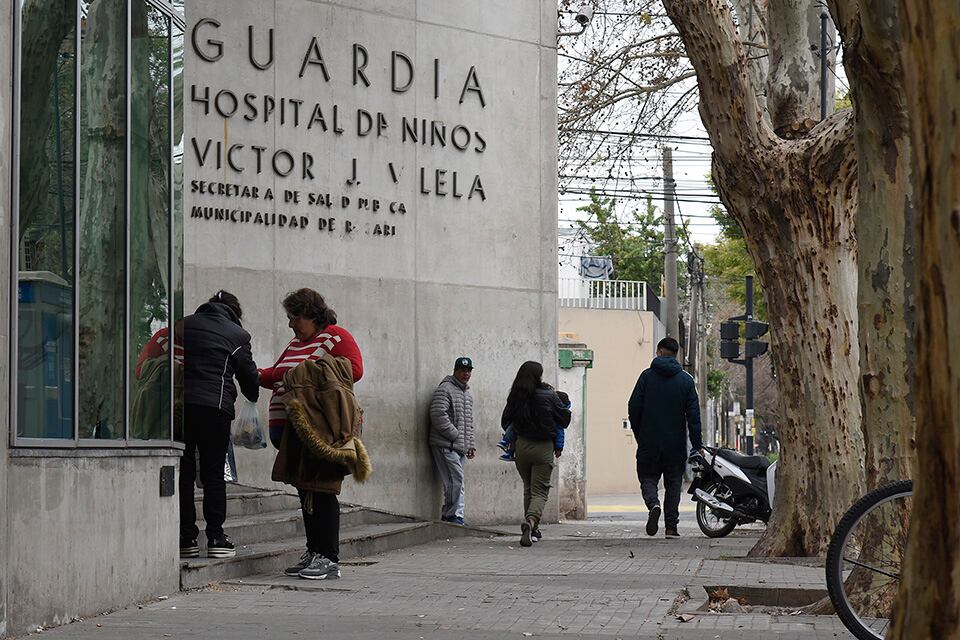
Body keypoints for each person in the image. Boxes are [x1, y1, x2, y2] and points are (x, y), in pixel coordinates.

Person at [259, 288, 364, 580]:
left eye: (294, 318)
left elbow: (353, 370)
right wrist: (254, 374)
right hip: (291, 434)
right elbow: (278, 373)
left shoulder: (336, 337)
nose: (291, 324)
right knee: (306, 491)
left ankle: (328, 557)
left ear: (310, 314)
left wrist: (303, 373)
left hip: (318, 431)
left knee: (322, 490)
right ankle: (314, 550)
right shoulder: (296, 343)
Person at [180, 291, 260, 559]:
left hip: (180, 407)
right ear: (234, 312)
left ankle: (185, 537)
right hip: (215, 410)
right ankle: (216, 537)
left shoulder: (184, 325)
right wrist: (252, 396)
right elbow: (249, 376)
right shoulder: (237, 335)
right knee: (214, 474)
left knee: (185, 471)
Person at [628, 337, 702, 539]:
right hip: (675, 444)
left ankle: (653, 504)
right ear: (676, 354)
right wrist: (697, 445)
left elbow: (633, 407)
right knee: (673, 485)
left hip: (649, 441)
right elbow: (694, 416)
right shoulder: (685, 380)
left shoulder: (646, 377)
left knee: (647, 477)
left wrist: (639, 433)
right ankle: (671, 528)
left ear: (658, 352)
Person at [501, 361, 571, 547]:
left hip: (522, 446)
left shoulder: (516, 397)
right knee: (540, 491)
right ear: (538, 376)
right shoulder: (549, 395)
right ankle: (531, 522)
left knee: (528, 489)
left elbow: (505, 421)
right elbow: (564, 419)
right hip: (543, 447)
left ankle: (533, 529)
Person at [428, 357, 476, 525]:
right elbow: (437, 415)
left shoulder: (467, 394)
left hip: (459, 446)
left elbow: (469, 422)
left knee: (458, 481)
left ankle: (458, 516)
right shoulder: (445, 389)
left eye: (469, 370)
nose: (466, 374)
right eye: (462, 370)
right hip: (445, 445)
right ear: (455, 370)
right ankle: (449, 515)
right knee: (454, 480)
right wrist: (455, 435)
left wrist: (470, 444)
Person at [498, 390, 570, 462]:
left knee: (514, 429)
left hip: (522, 441)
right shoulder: (554, 413)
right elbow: (560, 431)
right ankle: (507, 445)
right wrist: (559, 448)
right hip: (543, 447)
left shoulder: (531, 402)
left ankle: (507, 447)